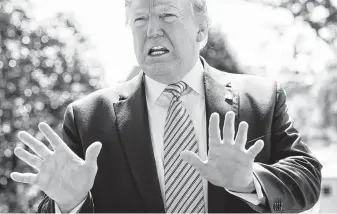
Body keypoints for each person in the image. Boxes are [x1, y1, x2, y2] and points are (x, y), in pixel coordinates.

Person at [10, 0, 322, 213]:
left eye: (167, 15)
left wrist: (249, 180)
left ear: (201, 28)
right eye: (140, 19)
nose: (152, 30)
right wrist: (70, 204)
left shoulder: (262, 98)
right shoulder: (87, 117)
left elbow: (307, 178)